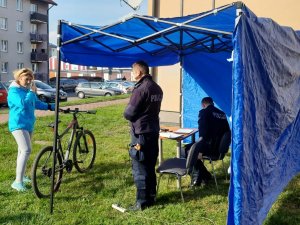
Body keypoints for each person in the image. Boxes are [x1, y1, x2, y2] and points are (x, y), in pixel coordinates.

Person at [124, 61, 163, 211]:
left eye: (133, 71)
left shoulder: (141, 89)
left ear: (139, 73)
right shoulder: (157, 87)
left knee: (140, 167)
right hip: (153, 131)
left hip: (140, 133)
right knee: (150, 165)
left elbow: (129, 113)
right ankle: (151, 196)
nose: (132, 74)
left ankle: (141, 202)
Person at [8, 68, 55, 192]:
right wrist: (32, 93)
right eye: (26, 79)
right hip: (18, 125)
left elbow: (37, 104)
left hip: (28, 125)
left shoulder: (27, 91)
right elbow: (23, 104)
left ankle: (21, 176)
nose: (29, 81)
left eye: (30, 79)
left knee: (21, 152)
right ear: (19, 78)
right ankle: (17, 182)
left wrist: (51, 106)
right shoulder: (13, 92)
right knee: (26, 150)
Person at [191, 97, 230, 186]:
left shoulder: (204, 112)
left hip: (210, 147)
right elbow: (227, 131)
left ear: (203, 105)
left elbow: (203, 133)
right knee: (191, 149)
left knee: (187, 151)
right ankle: (206, 175)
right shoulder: (222, 114)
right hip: (220, 149)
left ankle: (198, 177)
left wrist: (200, 150)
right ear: (212, 103)